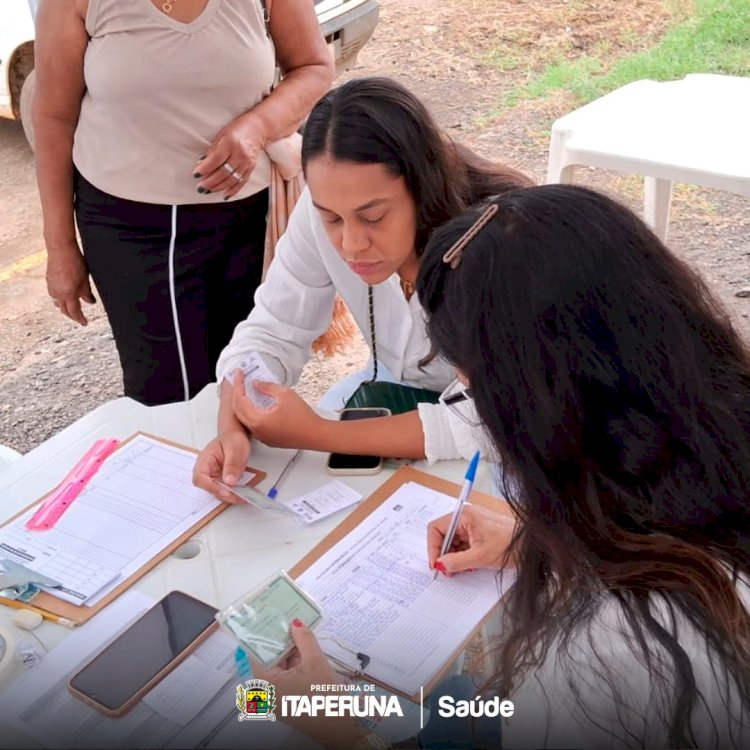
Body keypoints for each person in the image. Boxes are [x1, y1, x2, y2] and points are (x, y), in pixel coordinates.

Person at [253, 185, 750, 748]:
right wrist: (540, 538)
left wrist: (337, 730)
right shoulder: (712, 431)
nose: (466, 406)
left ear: (537, 407)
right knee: (448, 700)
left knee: (264, 708)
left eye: (468, 384)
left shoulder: (600, 660)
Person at [193, 76, 532, 500]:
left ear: (423, 187)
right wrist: (234, 425)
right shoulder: (323, 208)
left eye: (373, 217)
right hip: (400, 397)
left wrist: (318, 433)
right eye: (331, 218)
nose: (351, 244)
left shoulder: (497, 242)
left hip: (516, 440)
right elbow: (273, 329)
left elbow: (493, 422)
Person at [32, 0, 333, 405]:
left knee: (251, 382)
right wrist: (60, 246)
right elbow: (53, 117)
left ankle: (243, 469)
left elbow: (313, 68)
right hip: (130, 229)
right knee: (166, 395)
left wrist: (257, 127)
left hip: (250, 219)